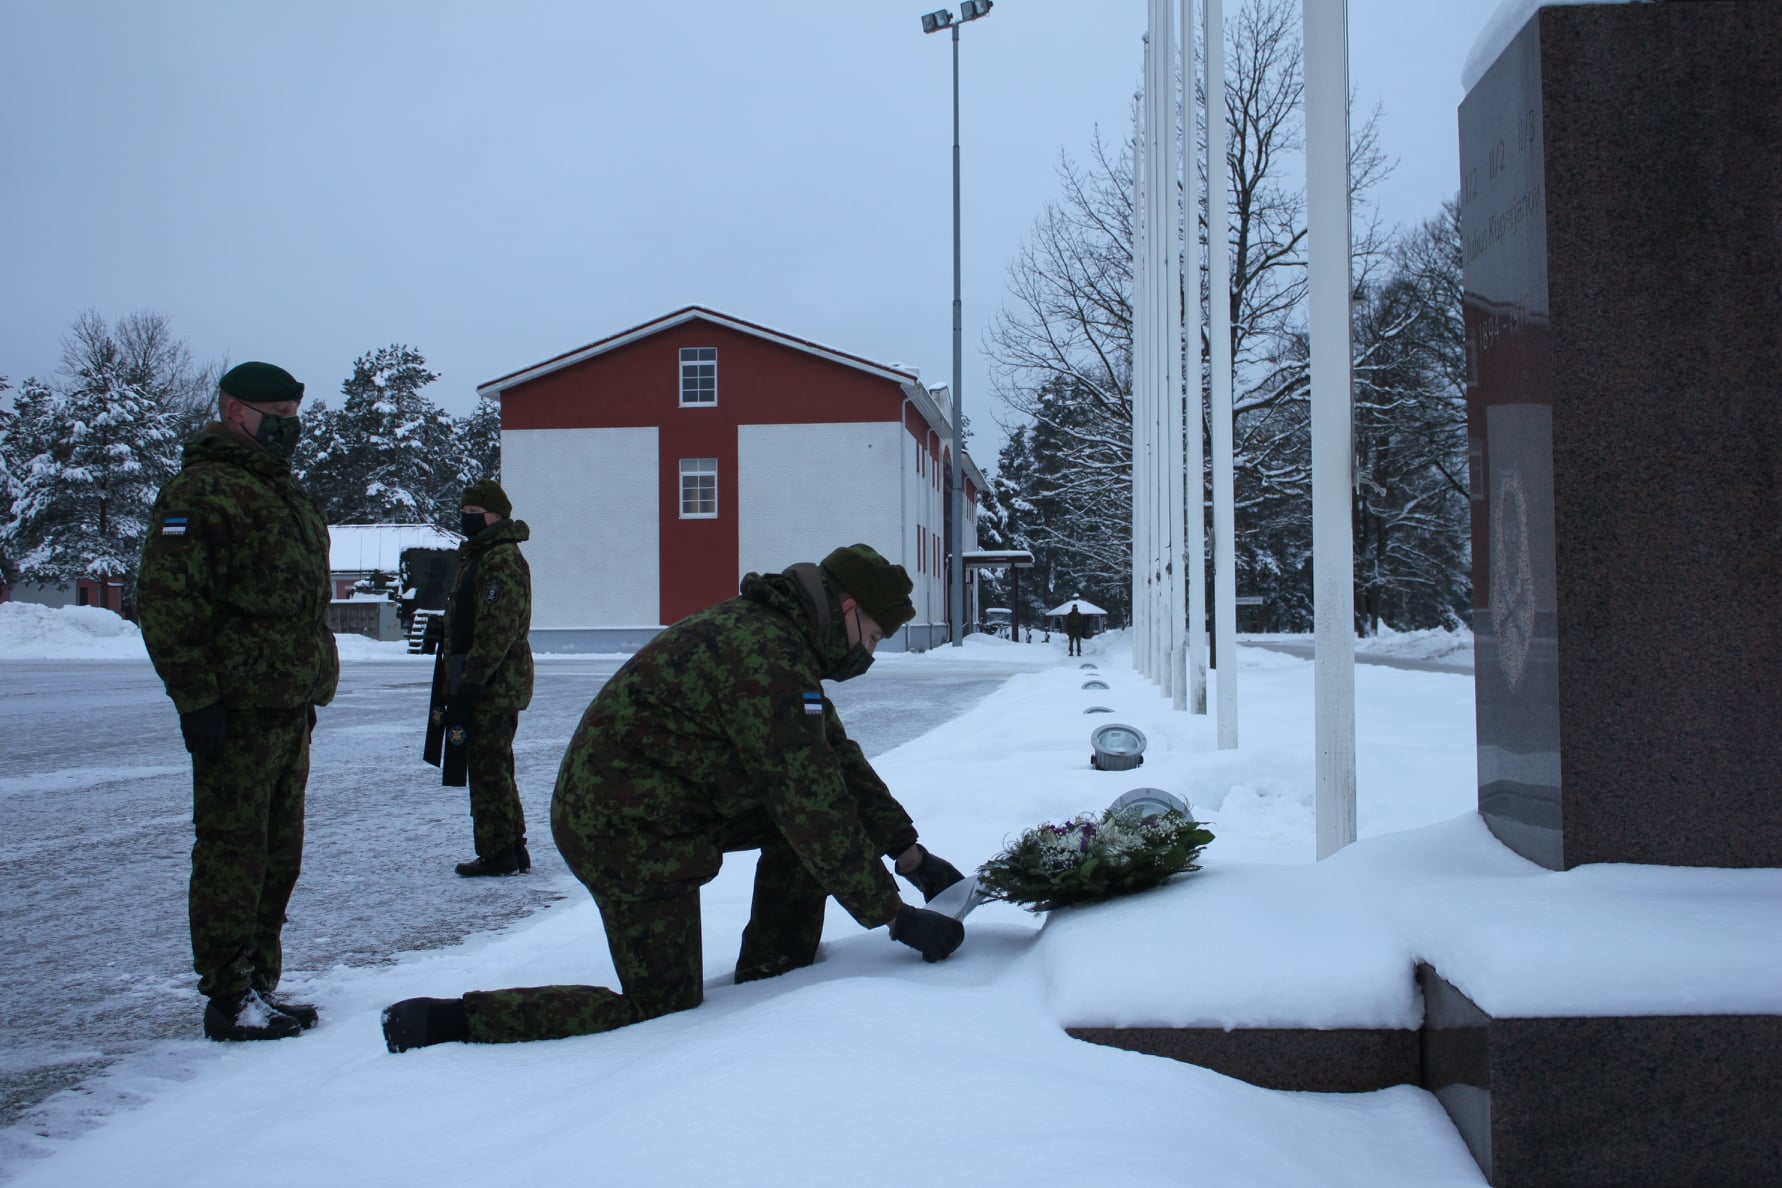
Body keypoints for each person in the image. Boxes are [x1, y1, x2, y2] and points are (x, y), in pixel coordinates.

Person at [382, 544, 968, 1052]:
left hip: (672, 804)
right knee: (659, 1006)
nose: (867, 655)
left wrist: (910, 855)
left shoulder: (781, 640)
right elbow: (809, 803)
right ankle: (451, 1020)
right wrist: (894, 916)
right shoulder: (766, 656)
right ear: (847, 610)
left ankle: (773, 979)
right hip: (621, 827)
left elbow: (836, 763)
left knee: (804, 827)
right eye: (870, 638)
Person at [137, 361, 339, 1042]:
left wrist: (313, 681)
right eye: (276, 417)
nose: (290, 429)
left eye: (293, 416)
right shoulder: (202, 493)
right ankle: (228, 995)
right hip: (236, 708)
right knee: (232, 851)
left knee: (280, 853)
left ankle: (260, 981)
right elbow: (168, 605)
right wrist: (197, 700)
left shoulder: (283, 494)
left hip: (287, 704)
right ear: (234, 413)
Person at [423, 479, 534, 877]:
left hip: (491, 685)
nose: (467, 521)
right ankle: (511, 846)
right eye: (464, 514)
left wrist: (472, 680)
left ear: (497, 515)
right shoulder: (482, 555)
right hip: (486, 680)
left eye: (475, 515)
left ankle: (497, 852)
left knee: (488, 768)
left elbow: (497, 628)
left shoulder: (500, 559)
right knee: (494, 765)